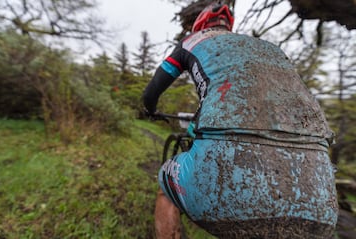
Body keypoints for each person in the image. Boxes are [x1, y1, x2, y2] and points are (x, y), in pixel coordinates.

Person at [142, 2, 339, 238]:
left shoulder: (191, 41)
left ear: (199, 25)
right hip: (321, 200)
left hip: (226, 190)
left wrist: (150, 109)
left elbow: (152, 90)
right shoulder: (270, 49)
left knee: (165, 186)